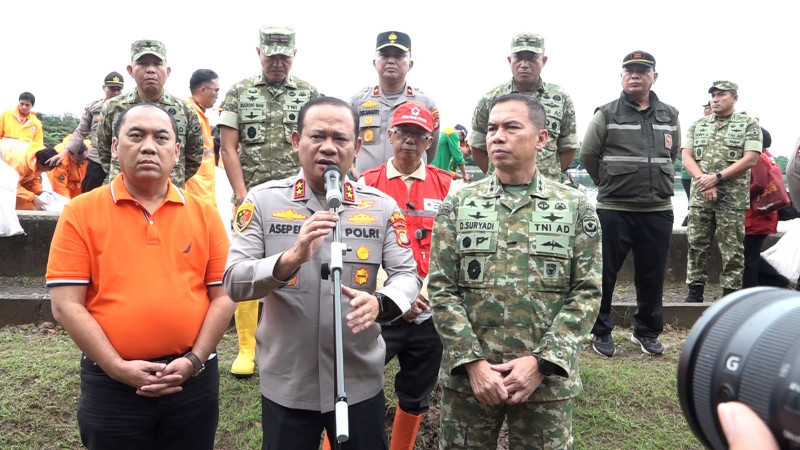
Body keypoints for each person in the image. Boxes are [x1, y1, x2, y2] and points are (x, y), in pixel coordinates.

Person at [223, 96, 420, 449]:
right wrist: (290, 259)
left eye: (340, 139)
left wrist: (380, 302)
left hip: (359, 381)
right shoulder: (263, 201)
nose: (328, 147)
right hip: (288, 384)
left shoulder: (380, 206)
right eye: (317, 136)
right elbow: (235, 281)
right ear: (297, 141)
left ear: (357, 147)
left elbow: (408, 276)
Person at [46, 103, 236, 449]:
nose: (149, 146)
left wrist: (194, 361)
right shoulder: (80, 212)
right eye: (136, 135)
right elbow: (66, 305)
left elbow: (224, 295)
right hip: (111, 386)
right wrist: (117, 367)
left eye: (161, 137)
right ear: (115, 147)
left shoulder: (205, 215)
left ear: (177, 152)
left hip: (192, 384)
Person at [428, 93, 601, 449]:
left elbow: (586, 291)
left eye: (511, 127)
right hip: (469, 380)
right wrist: (473, 363)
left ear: (541, 138)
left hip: (545, 381)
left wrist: (542, 363)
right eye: (491, 128)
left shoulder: (574, 207)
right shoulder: (459, 204)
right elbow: (442, 288)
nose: (497, 136)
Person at [219, 25, 320, 377]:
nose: (278, 63)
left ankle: (296, 340)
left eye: (284, 56)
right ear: (258, 52)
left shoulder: (309, 93)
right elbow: (228, 148)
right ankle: (247, 346)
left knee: (297, 262)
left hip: (298, 198)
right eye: (271, 55)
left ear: (293, 55)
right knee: (247, 265)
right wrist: (243, 195)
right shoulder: (239, 92)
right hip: (253, 196)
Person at [359, 102, 449, 449]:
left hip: (427, 313)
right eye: (403, 133)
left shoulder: (447, 186)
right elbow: (357, 248)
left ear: (429, 141)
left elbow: (449, 251)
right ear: (389, 136)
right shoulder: (367, 183)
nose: (409, 141)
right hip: (378, 309)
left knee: (415, 394)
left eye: (418, 135)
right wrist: (395, 296)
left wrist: (420, 296)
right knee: (352, 385)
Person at [580, 51, 680, 357]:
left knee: (652, 274)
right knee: (604, 273)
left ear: (654, 77)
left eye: (642, 70)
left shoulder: (670, 115)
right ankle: (600, 330)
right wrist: (610, 184)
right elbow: (588, 155)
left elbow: (672, 155)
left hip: (657, 209)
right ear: (622, 77)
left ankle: (646, 331)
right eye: (629, 71)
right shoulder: (607, 113)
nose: (634, 75)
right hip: (614, 210)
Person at [682, 81, 761, 302]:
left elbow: (751, 159)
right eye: (713, 95)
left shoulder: (749, 124)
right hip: (700, 197)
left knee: (732, 250)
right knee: (696, 245)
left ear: (734, 98)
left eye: (721, 95)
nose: (715, 99)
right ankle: (694, 293)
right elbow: (687, 156)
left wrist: (716, 178)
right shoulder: (698, 124)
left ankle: (730, 295)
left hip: (732, 200)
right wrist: (703, 180)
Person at [468, 33, 578, 181]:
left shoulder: (560, 97)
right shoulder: (490, 99)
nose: (524, 64)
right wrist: (501, 174)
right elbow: (477, 147)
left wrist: (548, 176)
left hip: (547, 192)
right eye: (519, 58)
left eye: (532, 58)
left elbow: (569, 148)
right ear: (510, 60)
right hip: (500, 191)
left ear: (543, 61)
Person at [96, 40, 203, 187]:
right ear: (130, 70)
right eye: (143, 64)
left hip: (168, 195)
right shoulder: (112, 107)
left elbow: (194, 157)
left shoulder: (185, 110)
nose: (150, 70)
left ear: (168, 71)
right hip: (122, 195)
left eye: (158, 64)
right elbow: (104, 151)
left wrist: (169, 178)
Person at [350, 31, 440, 178]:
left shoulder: (425, 103)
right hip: (366, 188)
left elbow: (430, 150)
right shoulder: (358, 102)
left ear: (410, 64)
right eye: (384, 55)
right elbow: (346, 142)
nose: (391, 61)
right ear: (374, 62)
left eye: (399, 56)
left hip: (409, 186)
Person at [49, 72, 124, 193]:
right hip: (98, 155)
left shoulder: (128, 107)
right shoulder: (94, 108)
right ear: (104, 88)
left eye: (119, 89)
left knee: (121, 189)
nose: (116, 92)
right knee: (89, 188)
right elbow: (80, 131)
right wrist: (63, 154)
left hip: (121, 155)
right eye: (112, 89)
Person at [743, 128, 782, 288]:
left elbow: (758, 185)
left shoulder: (757, 158)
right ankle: (776, 283)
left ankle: (749, 290)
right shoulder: (768, 156)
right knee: (750, 254)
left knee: (748, 257)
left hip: (755, 218)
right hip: (764, 215)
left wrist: (736, 197)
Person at [185, 69, 220, 205]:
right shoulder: (191, 115)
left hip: (204, 190)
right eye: (216, 90)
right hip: (195, 193)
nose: (217, 95)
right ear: (203, 90)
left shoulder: (200, 115)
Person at [2, 144, 57, 210]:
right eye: (48, 168)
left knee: (28, 204)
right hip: (4, 175)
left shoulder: (37, 161)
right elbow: (10, 186)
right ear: (41, 164)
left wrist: (39, 191)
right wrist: (32, 197)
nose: (48, 171)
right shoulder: (19, 164)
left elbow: (32, 178)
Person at [48, 135, 88, 200]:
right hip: (64, 186)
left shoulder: (91, 150)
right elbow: (59, 186)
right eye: (78, 160)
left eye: (85, 159)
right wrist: (67, 202)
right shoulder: (61, 161)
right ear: (70, 155)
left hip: (79, 185)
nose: (83, 162)